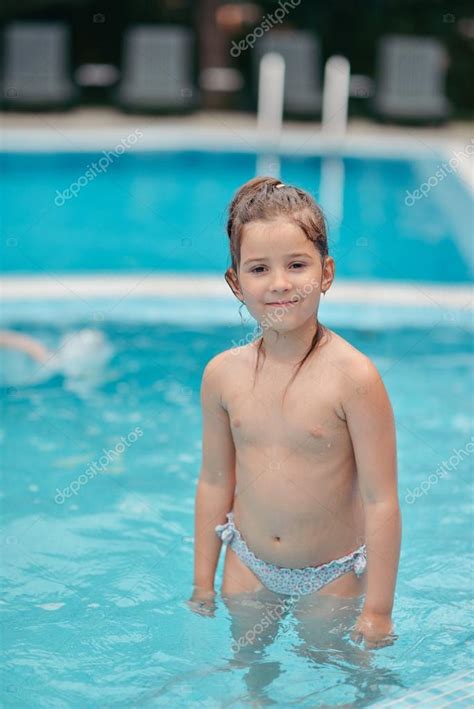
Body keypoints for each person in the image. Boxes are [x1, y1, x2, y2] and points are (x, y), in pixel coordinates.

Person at [188, 177, 401, 656]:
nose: (280, 283)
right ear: (235, 282)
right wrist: (204, 580)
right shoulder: (222, 375)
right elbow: (214, 481)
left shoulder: (354, 378)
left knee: (331, 676)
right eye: (259, 268)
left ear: (326, 273)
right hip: (246, 560)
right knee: (249, 672)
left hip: (332, 571)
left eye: (297, 265)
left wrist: (378, 611)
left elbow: (381, 499)